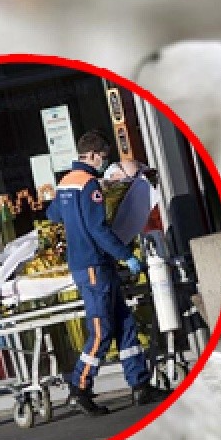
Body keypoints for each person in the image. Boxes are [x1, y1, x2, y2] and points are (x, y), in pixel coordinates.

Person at [46, 131, 171, 415]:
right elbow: (98, 229)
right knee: (101, 331)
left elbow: (53, 215)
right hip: (95, 265)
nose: (104, 161)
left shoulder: (66, 182)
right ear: (91, 155)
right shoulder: (90, 184)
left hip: (85, 263)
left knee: (125, 322)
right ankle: (80, 387)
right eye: (103, 156)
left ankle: (140, 385)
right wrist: (126, 256)